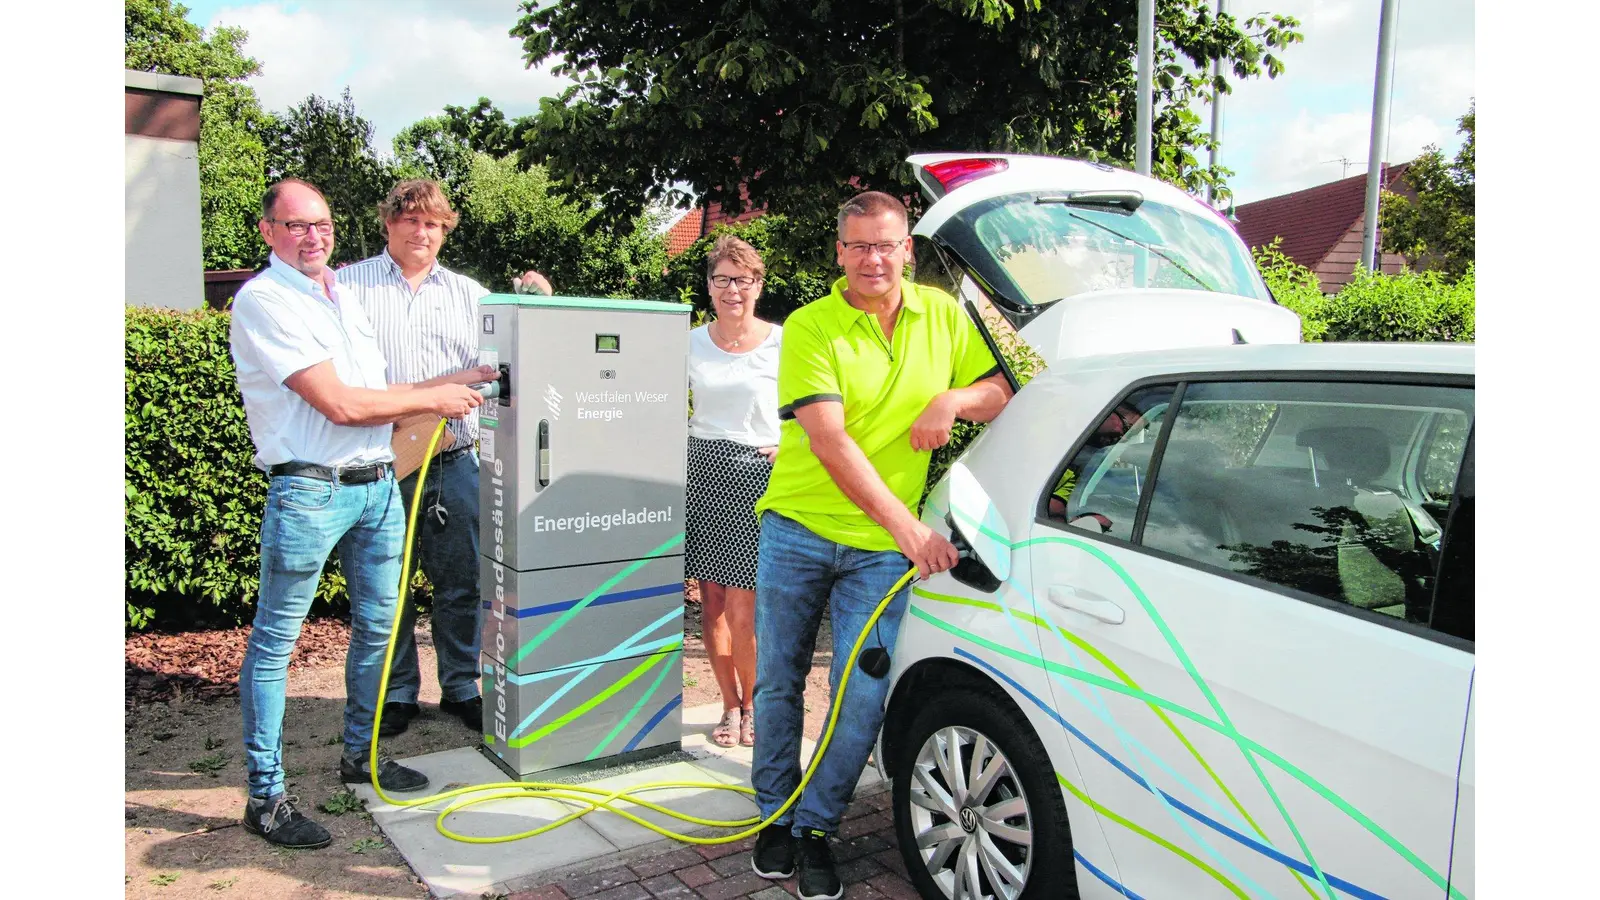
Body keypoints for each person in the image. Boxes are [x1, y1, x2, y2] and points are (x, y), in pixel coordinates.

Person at [748, 192, 1014, 899]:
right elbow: (830, 442)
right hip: (799, 531)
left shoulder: (943, 315)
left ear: (907, 250)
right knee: (779, 681)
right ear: (839, 252)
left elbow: (1003, 391)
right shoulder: (811, 327)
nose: (874, 259)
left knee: (860, 698)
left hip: (879, 554)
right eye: (859, 246)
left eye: (886, 245)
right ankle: (773, 814)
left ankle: (815, 827)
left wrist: (952, 401)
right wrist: (909, 529)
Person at [229, 178, 495, 849]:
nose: (310, 236)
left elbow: (383, 392)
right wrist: (439, 399)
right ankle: (265, 797)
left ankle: (362, 757)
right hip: (311, 491)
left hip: (377, 483)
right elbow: (342, 405)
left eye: (319, 224)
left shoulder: (339, 294)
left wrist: (453, 387)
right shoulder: (264, 300)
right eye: (294, 226)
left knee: (379, 628)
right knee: (274, 647)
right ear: (268, 232)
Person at [336, 179, 549, 737]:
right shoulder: (348, 286)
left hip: (454, 457)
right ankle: (399, 690)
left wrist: (536, 301)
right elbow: (343, 380)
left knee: (461, 582)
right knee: (387, 584)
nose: (421, 231)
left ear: (444, 229)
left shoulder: (469, 293)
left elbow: (506, 358)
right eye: (410, 220)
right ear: (389, 223)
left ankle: (460, 685)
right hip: (380, 462)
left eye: (432, 223)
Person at [685, 235, 782, 749]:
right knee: (713, 603)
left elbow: (819, 408)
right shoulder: (691, 343)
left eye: (742, 280)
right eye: (721, 279)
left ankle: (755, 704)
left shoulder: (783, 342)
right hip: (701, 466)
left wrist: (789, 446)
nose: (731, 290)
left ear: (758, 285)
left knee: (745, 612)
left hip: (756, 476)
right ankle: (729, 705)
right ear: (709, 286)